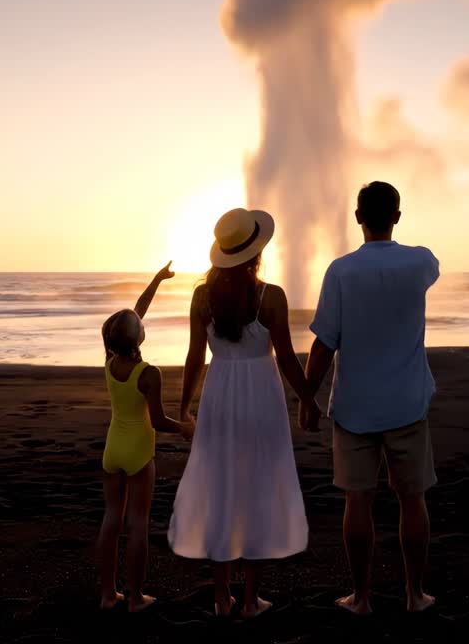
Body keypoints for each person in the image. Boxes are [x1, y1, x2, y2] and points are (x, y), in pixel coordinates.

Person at [303, 181, 440, 615]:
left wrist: (308, 397)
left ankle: (361, 597)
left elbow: (324, 344)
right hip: (406, 403)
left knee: (357, 501)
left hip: (355, 407)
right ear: (397, 216)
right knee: (412, 498)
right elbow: (432, 266)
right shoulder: (420, 262)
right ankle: (414, 595)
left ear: (357, 216)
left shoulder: (340, 271)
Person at [168, 208, 313, 618]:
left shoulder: (202, 297)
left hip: (219, 397)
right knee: (255, 492)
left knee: (221, 490)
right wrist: (307, 397)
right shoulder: (271, 296)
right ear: (256, 253)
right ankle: (250, 600)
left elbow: (196, 357)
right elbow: (285, 358)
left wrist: (184, 408)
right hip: (261, 398)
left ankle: (220, 598)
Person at [95, 262, 195, 612]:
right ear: (139, 337)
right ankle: (136, 598)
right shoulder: (147, 373)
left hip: (112, 450)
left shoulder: (109, 360)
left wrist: (156, 280)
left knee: (111, 520)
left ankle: (109, 595)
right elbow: (158, 420)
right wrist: (184, 427)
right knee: (138, 525)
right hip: (139, 452)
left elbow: (136, 312)